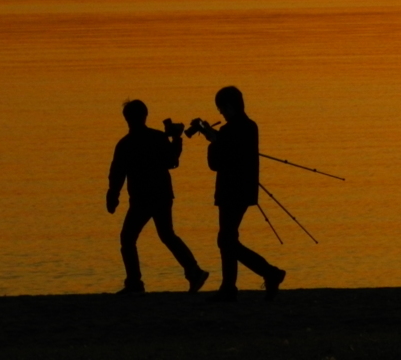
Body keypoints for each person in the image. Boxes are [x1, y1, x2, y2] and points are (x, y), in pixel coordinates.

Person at [107, 99, 208, 295]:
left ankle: (135, 283)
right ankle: (194, 271)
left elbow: (117, 173)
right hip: (161, 195)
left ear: (127, 118)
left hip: (142, 199)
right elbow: (172, 161)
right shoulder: (156, 137)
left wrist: (113, 195)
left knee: (128, 238)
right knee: (166, 235)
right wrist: (176, 139)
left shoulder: (126, 144)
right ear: (145, 116)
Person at [197, 86, 286, 302]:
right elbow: (234, 147)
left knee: (226, 240)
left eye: (221, 109)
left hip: (230, 192)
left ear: (228, 107)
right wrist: (216, 136)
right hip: (246, 190)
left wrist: (212, 141)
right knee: (228, 237)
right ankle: (228, 287)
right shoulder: (250, 127)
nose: (221, 114)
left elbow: (216, 163)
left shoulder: (229, 131)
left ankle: (270, 273)